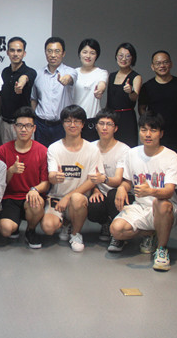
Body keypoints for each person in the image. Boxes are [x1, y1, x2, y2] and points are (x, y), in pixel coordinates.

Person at [109, 112, 177, 271]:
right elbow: (128, 181)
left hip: (166, 208)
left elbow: (169, 192)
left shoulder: (172, 157)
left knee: (161, 204)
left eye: (153, 130)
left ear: (161, 133)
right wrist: (122, 188)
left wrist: (151, 191)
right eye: (143, 130)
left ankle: (162, 249)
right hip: (140, 206)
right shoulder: (132, 154)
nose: (148, 134)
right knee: (116, 230)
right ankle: (150, 234)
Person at [40, 105, 103, 252]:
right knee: (48, 227)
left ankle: (75, 233)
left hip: (77, 198)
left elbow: (92, 180)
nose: (72, 125)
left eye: (76, 121)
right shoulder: (54, 148)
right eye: (68, 121)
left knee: (76, 198)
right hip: (57, 197)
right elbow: (51, 176)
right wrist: (54, 177)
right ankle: (66, 223)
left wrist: (68, 197)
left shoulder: (92, 150)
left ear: (83, 124)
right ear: (62, 124)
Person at [0, 106, 49, 249]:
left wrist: (34, 190)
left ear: (34, 128)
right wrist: (11, 171)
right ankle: (15, 225)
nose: (23, 129)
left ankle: (31, 230)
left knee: (36, 203)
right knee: (6, 229)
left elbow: (46, 183)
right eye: (20, 125)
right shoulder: (2, 151)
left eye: (28, 126)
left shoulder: (42, 151)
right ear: (14, 127)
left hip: (31, 196)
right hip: (10, 197)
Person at [138, 50, 177, 157]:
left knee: (174, 161)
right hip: (154, 132)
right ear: (153, 67)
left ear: (171, 64)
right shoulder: (147, 87)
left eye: (165, 62)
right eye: (158, 63)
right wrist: (148, 124)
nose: (162, 66)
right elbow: (141, 108)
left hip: (174, 133)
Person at [85, 109, 130, 248]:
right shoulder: (90, 147)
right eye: (101, 123)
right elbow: (86, 175)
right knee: (93, 206)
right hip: (98, 191)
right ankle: (106, 223)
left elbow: (117, 180)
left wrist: (103, 179)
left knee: (113, 195)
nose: (104, 128)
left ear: (115, 128)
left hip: (117, 191)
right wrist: (95, 190)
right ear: (96, 126)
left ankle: (118, 235)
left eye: (109, 124)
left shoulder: (124, 150)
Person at [31, 37, 77, 147]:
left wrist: (66, 79)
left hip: (62, 125)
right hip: (41, 125)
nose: (53, 55)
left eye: (57, 51)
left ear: (63, 53)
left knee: (62, 154)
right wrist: (35, 117)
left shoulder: (71, 71)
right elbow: (33, 98)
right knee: (42, 154)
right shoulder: (38, 74)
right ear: (45, 52)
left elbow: (70, 78)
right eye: (49, 51)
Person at [0, 37, 37, 145]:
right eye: (12, 50)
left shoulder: (30, 72)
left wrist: (21, 83)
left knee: (24, 153)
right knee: (5, 154)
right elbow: (1, 97)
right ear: (7, 52)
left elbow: (25, 77)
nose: (15, 54)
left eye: (19, 51)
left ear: (24, 53)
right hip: (5, 124)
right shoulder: (5, 72)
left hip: (23, 126)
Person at [106, 43, 142, 147]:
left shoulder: (136, 77)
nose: (123, 59)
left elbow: (134, 97)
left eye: (128, 56)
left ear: (133, 58)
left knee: (128, 147)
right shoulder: (111, 76)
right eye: (120, 55)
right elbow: (109, 99)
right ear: (116, 56)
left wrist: (131, 91)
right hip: (111, 117)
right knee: (110, 147)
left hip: (127, 118)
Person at [73, 38, 108, 142]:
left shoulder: (101, 73)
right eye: (85, 52)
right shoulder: (73, 72)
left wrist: (100, 91)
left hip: (92, 120)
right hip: (74, 121)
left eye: (92, 53)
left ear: (96, 55)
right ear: (79, 54)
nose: (88, 56)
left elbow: (102, 83)